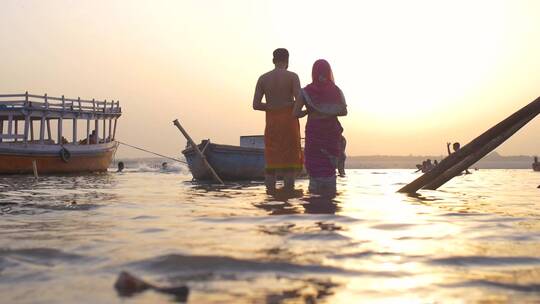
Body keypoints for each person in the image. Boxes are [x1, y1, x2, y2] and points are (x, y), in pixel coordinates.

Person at [293, 59, 347, 195]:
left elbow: (295, 113)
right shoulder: (336, 90)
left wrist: (309, 110)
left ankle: (313, 208)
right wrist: (328, 111)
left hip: (314, 134)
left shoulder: (306, 91)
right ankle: (329, 208)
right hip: (330, 135)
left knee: (315, 174)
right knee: (330, 172)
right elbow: (344, 111)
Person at [253, 48, 303, 192]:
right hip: (289, 126)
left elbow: (256, 105)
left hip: (272, 126)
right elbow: (299, 101)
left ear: (273, 60)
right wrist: (287, 104)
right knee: (289, 168)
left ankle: (271, 198)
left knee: (271, 168)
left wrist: (273, 106)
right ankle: (288, 197)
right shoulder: (292, 77)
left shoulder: (263, 78)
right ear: (287, 61)